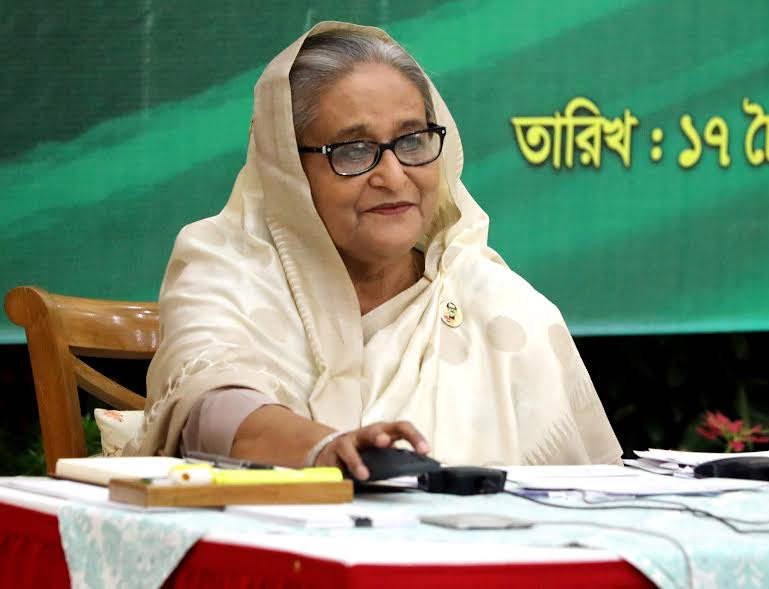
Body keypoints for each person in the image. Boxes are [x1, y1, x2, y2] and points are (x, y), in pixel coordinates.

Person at [124, 22, 622, 479]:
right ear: (287, 167)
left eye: (412, 140)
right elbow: (211, 409)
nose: (393, 175)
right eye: (354, 150)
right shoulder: (225, 264)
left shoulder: (501, 307)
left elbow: (582, 498)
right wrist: (327, 450)